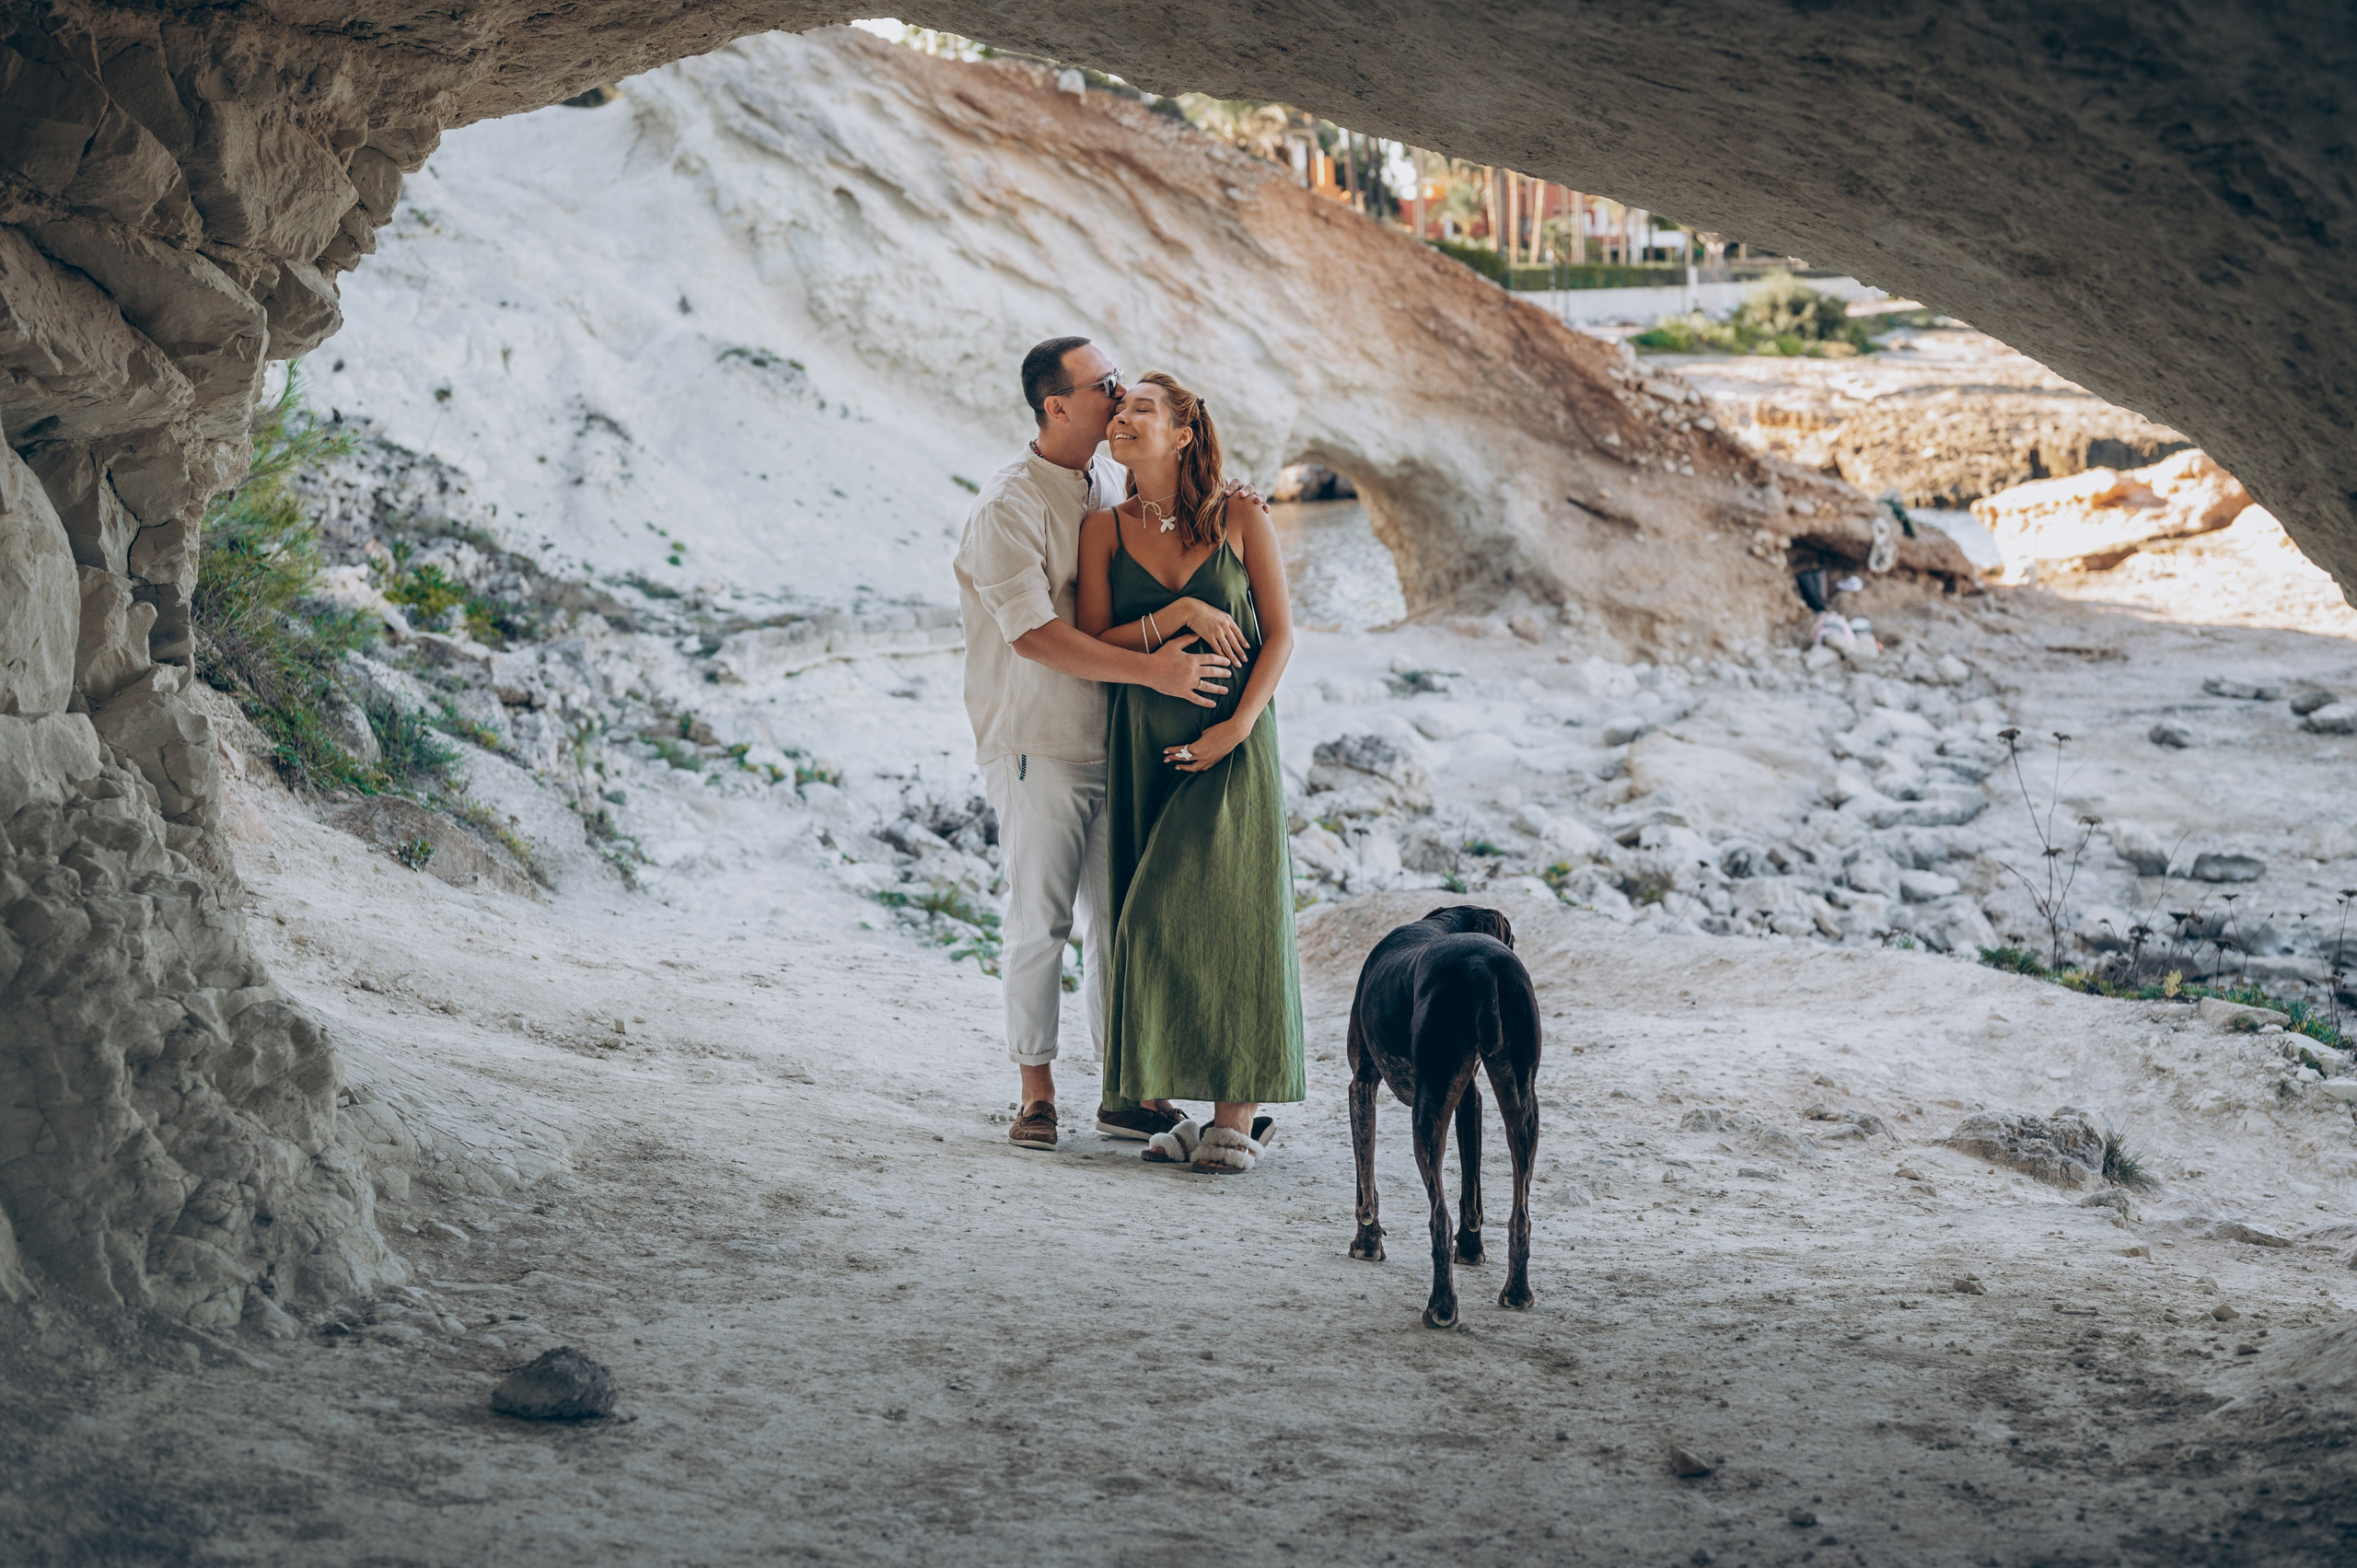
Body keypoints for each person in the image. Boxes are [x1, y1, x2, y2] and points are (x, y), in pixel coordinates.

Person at [951, 337, 1240, 1153]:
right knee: (1039, 920)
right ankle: (1036, 1093)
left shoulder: (1110, 481)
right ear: (1056, 406)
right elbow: (1036, 635)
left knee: (1121, 924)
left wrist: (1234, 495)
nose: (1119, 394)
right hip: (1035, 743)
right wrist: (1155, 671)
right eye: (1105, 384)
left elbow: (1181, 510)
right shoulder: (1006, 507)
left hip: (1118, 743)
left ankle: (1126, 1091)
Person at [1074, 372, 1306, 1175]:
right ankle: (1182, 1102)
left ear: (1182, 433)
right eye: (1119, 409)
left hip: (1233, 742)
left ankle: (1234, 1116)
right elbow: (1094, 639)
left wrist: (1238, 729)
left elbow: (1280, 636)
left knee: (1234, 913)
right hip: (1145, 742)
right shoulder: (1103, 530)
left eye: (1141, 408)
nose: (1122, 418)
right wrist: (1175, 614)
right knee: (1149, 918)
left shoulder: (1242, 515)